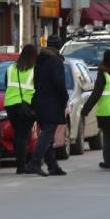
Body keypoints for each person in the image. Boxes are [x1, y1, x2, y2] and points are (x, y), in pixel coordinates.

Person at [26, 34, 68, 177]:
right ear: (59, 46)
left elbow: (36, 81)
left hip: (39, 100)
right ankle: (35, 162)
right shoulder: (56, 61)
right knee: (48, 133)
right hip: (51, 102)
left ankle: (52, 166)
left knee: (47, 133)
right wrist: (64, 98)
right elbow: (59, 83)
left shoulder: (40, 60)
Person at [4, 44, 37, 174]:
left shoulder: (10, 68)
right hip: (26, 105)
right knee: (23, 135)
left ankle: (20, 162)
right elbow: (38, 88)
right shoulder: (34, 70)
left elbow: (6, 84)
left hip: (11, 105)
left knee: (18, 134)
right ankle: (22, 166)